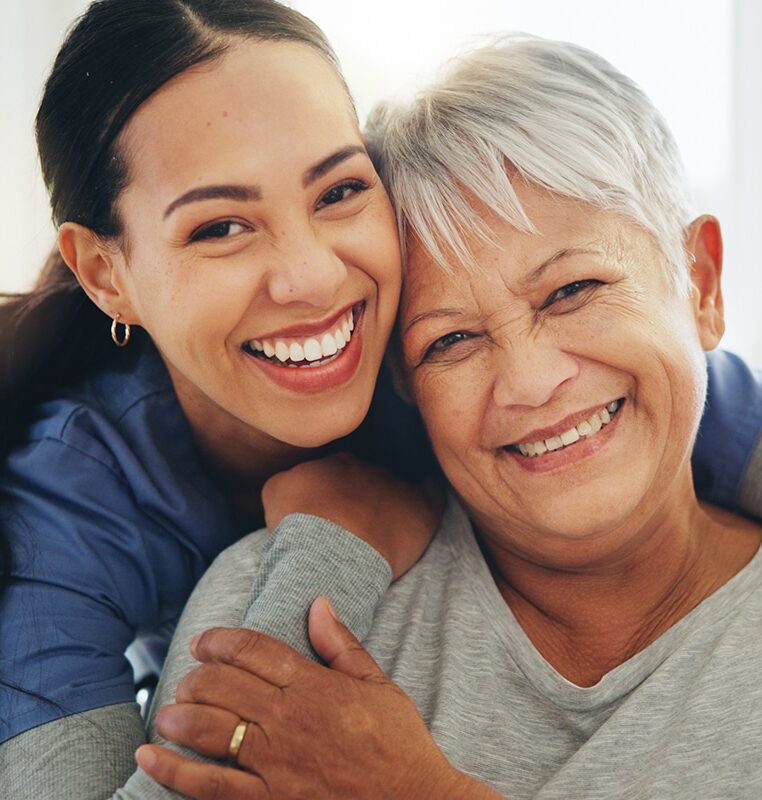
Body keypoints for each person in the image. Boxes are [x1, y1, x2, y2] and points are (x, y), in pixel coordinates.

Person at [131, 35, 762, 799]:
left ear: (701, 285)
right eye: (452, 340)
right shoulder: (279, 600)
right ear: (403, 380)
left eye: (572, 290)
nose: (529, 383)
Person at [0, 0, 440, 796]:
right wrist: (332, 550)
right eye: (220, 228)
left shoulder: (456, 337)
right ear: (106, 275)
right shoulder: (70, 498)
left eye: (339, 190)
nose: (310, 277)